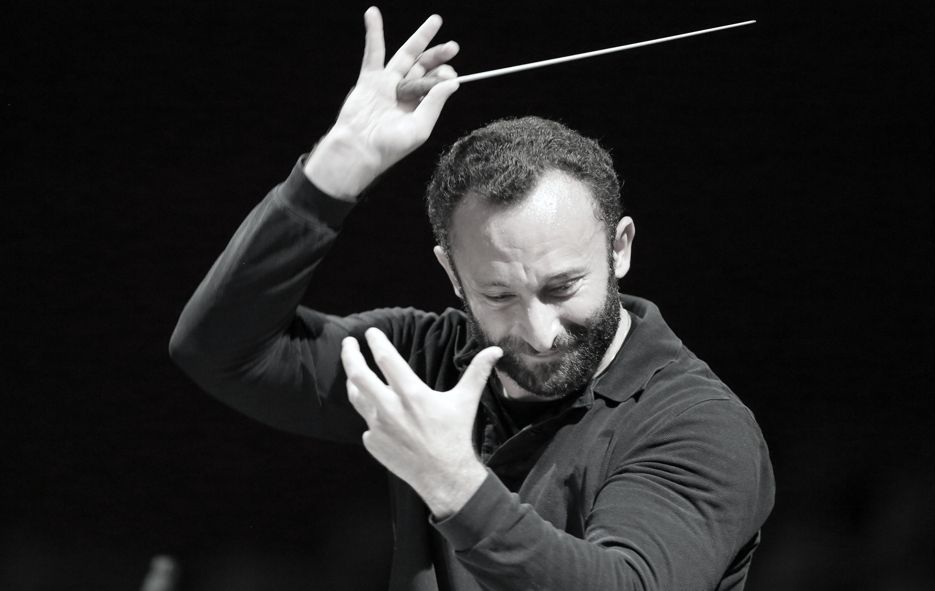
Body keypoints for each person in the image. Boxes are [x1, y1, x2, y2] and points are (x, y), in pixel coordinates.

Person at [169, 7, 774, 590]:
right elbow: (222, 350)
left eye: (562, 287)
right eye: (498, 294)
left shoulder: (694, 422)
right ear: (453, 276)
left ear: (619, 249)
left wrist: (457, 487)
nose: (538, 332)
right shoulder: (429, 361)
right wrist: (336, 169)